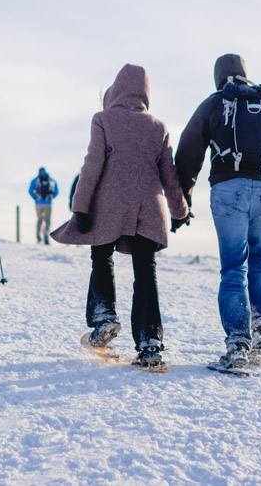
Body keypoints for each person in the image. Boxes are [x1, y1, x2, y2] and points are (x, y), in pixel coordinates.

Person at [51, 64, 190, 368]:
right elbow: (170, 174)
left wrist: (80, 207)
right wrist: (180, 211)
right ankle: (150, 343)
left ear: (115, 89)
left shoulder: (103, 119)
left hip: (108, 204)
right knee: (145, 272)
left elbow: (92, 166)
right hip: (148, 208)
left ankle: (104, 318)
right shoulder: (159, 126)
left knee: (101, 257)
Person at [175, 54, 261, 370]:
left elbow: (188, 150)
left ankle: (237, 346)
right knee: (259, 254)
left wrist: (183, 199)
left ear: (219, 76)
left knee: (233, 265)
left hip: (228, 188)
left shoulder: (216, 102)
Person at [28, 168, 59, 244]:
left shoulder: (35, 180)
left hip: (38, 203)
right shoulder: (51, 180)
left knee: (39, 220)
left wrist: (35, 198)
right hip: (48, 203)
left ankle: (38, 238)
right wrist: (50, 198)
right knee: (47, 221)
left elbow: (30, 190)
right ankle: (46, 237)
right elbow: (56, 191)